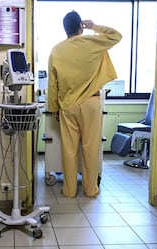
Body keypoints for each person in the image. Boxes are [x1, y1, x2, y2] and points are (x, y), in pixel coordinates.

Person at [47, 11, 122, 198]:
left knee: (69, 150)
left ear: (65, 29)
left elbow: (52, 83)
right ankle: (90, 190)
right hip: (91, 103)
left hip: (68, 105)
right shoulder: (92, 42)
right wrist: (94, 26)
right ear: (81, 26)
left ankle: (69, 190)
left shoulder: (56, 50)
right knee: (90, 148)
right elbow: (116, 36)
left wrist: (54, 108)